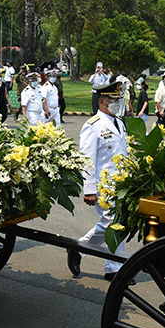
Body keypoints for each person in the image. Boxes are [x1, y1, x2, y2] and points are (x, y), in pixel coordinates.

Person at [69, 81, 131, 280]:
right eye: (115, 99)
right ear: (103, 101)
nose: (119, 103)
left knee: (119, 222)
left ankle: (110, 265)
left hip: (122, 184)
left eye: (119, 99)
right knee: (112, 222)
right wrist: (89, 189)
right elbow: (86, 160)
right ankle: (84, 250)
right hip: (104, 185)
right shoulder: (93, 126)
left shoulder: (119, 122)